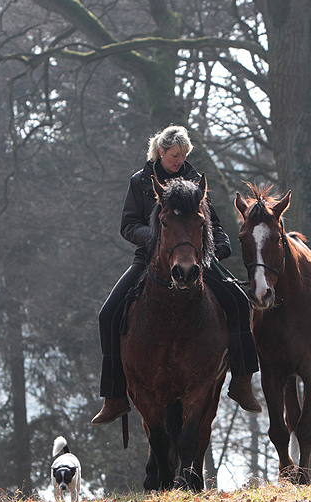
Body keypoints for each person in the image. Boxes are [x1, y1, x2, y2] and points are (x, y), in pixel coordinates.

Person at [91, 125, 261, 426]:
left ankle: (242, 381)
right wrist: (156, 239)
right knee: (108, 315)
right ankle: (114, 396)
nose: (179, 160)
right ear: (160, 151)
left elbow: (213, 223)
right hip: (150, 260)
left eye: (183, 155)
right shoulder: (140, 182)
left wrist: (219, 244)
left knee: (237, 300)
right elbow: (128, 225)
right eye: (174, 155)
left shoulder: (196, 181)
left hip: (193, 258)